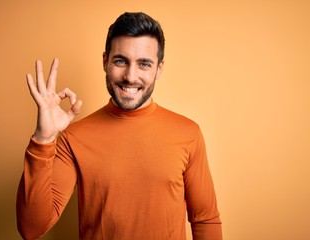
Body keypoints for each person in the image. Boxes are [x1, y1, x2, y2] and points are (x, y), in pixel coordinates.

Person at [16, 12, 222, 240]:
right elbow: (31, 228)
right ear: (105, 61)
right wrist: (43, 140)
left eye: (144, 64)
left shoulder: (188, 133)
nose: (130, 76)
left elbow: (205, 219)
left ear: (159, 68)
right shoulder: (73, 138)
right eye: (120, 61)